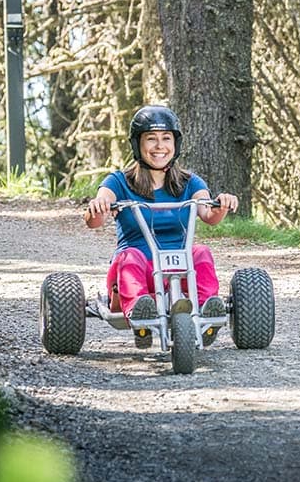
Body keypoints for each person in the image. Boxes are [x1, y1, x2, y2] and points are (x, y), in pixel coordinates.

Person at [85, 105, 238, 325]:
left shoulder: (190, 182)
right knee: (130, 256)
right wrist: (99, 205)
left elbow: (208, 214)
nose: (159, 146)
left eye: (166, 138)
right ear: (138, 144)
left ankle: (207, 306)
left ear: (175, 144)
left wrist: (221, 206)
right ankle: (140, 308)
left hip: (180, 269)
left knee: (201, 252)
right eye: (151, 139)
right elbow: (95, 220)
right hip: (137, 274)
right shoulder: (119, 182)